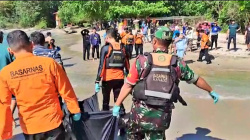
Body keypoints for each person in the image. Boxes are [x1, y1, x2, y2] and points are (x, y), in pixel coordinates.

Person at [112, 26, 219, 140]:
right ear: (170, 43)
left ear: (154, 41)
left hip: (139, 116)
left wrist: (117, 105)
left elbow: (128, 85)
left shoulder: (142, 61)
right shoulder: (177, 63)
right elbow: (196, 79)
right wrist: (211, 90)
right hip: (161, 118)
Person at [0, 30, 81, 140]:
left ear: (10, 51)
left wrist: (5, 133)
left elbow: (3, 105)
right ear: (31, 45)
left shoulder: (5, 73)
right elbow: (66, 89)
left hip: (30, 128)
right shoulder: (49, 64)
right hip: (53, 122)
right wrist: (75, 110)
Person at [95, 28, 130, 115]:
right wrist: (128, 76)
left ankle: (105, 116)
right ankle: (121, 115)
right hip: (120, 78)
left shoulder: (105, 48)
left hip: (108, 78)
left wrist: (97, 80)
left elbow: (101, 65)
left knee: (105, 99)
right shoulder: (123, 48)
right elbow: (127, 64)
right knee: (118, 98)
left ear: (108, 37)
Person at [0, 31, 17, 127]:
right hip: (8, 80)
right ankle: (9, 116)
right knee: (13, 98)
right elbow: (16, 64)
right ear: (1, 38)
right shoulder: (8, 49)